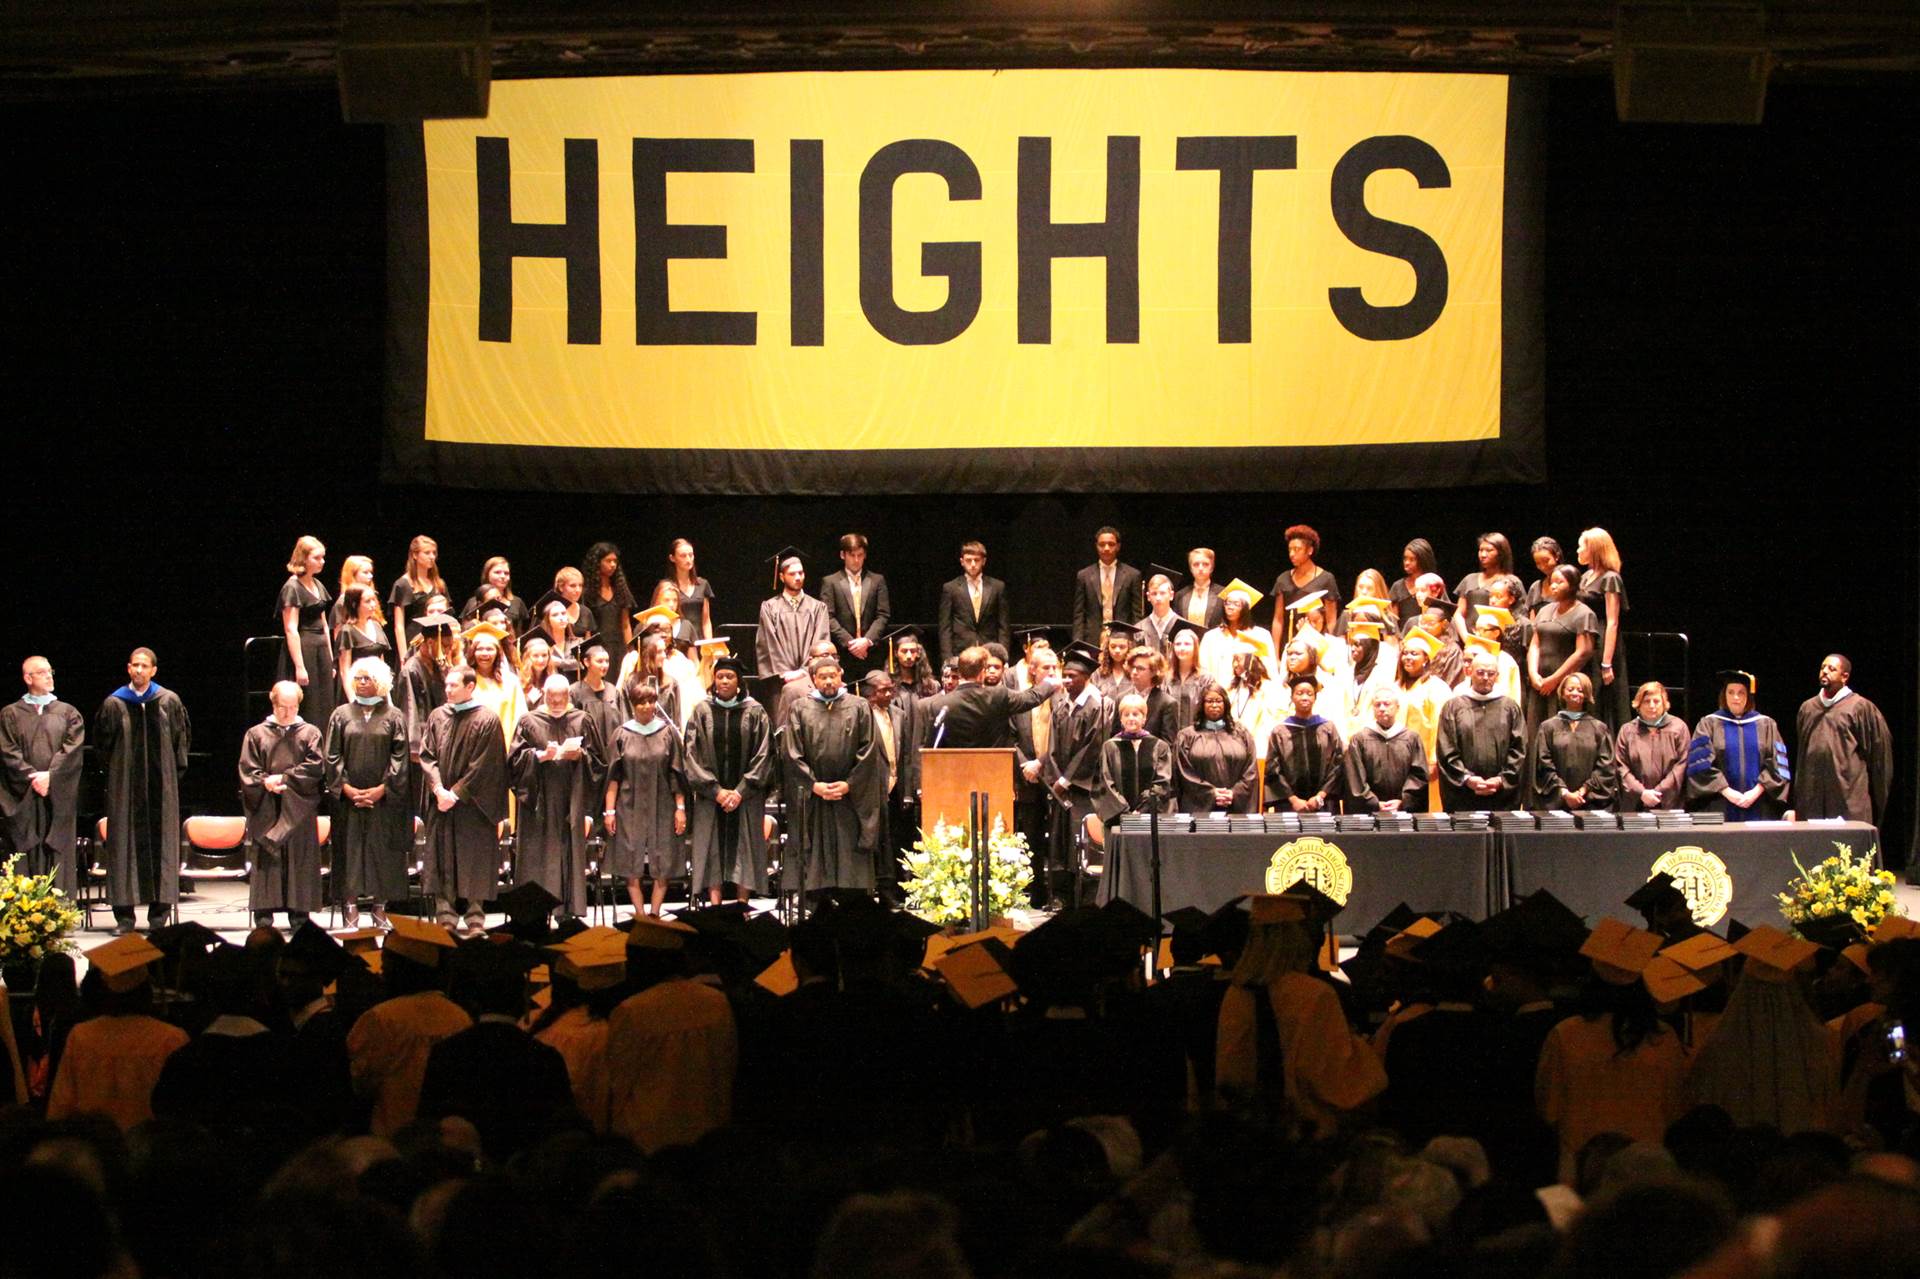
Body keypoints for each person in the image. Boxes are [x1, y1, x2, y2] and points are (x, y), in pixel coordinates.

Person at [1215, 892, 1386, 1137]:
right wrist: (1360, 1047)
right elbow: (1337, 1081)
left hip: (1248, 1132)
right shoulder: (1315, 995)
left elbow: (1229, 1073)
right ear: (1297, 938)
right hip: (1306, 1131)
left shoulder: (1236, 994)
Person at [1536, 924, 1691, 1182]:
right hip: (1648, 1161)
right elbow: (1676, 1108)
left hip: (1583, 1165)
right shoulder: (1662, 1038)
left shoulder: (1565, 1035)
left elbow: (1548, 1109)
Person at [605, 916, 737, 1152]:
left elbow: (620, 1082)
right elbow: (727, 1064)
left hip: (648, 1135)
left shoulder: (632, 1011)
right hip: (708, 1129)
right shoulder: (716, 1001)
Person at [347, 915, 471, 1137]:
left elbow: (360, 1084)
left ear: (401, 970)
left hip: (392, 1130)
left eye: (385, 965)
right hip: (442, 1133)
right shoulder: (460, 1016)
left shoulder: (381, 1018)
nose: (381, 973)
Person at [95, 648, 190, 935]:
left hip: (163, 791)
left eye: (144, 666)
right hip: (124, 791)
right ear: (128, 668)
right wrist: (117, 776)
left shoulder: (168, 701)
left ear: (153, 670)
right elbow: (103, 748)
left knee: (163, 849)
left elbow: (180, 744)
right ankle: (125, 918)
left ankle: (158, 917)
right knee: (123, 848)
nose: (139, 670)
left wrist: (170, 779)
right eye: (134, 665)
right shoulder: (114, 703)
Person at [47, 936, 187, 1129]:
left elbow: (62, 1102)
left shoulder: (81, 1036)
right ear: (146, 990)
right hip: (148, 1145)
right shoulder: (170, 1038)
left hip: (95, 1145)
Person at [783, 654, 884, 900]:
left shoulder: (859, 706)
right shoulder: (799, 708)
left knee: (851, 860)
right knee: (817, 861)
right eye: (822, 677)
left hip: (849, 797)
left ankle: (853, 903)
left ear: (841, 677)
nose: (828, 681)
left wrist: (849, 785)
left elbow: (869, 750)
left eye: (833, 676)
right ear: (814, 680)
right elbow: (791, 753)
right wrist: (813, 785)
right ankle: (817, 903)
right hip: (815, 797)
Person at [420, 663, 510, 935]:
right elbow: (427, 756)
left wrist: (456, 794)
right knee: (442, 857)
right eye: (446, 685)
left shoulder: (487, 719)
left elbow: (484, 765)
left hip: (473, 806)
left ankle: (475, 919)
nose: (447, 689)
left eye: (453, 685)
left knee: (474, 861)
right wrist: (438, 789)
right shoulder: (438, 716)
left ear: (470, 687)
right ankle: (445, 918)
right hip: (441, 803)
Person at [325, 657, 409, 929]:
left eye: (368, 678)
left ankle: (379, 909)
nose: (362, 683)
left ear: (381, 682)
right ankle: (349, 909)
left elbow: (400, 758)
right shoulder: (340, 715)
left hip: (382, 801)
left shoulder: (394, 717)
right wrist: (347, 789)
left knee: (381, 853)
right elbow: (332, 756)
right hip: (348, 800)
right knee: (349, 852)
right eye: (358, 678)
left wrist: (381, 790)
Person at [683, 655, 774, 906]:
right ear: (714, 680)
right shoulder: (701, 711)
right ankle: (716, 906)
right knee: (712, 847)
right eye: (720, 676)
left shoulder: (754, 711)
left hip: (746, 798)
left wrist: (741, 791)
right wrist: (716, 791)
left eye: (729, 676)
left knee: (744, 846)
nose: (724, 681)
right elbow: (691, 754)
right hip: (711, 799)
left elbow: (764, 754)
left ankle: (743, 906)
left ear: (739, 681)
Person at [511, 674, 601, 923]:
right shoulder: (529, 721)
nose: (557, 702)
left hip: (571, 799)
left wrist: (580, 756)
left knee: (567, 854)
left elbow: (599, 763)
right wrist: (539, 757)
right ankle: (535, 914)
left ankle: (566, 913)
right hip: (538, 803)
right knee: (536, 854)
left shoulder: (582, 720)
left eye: (562, 697)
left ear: (569, 696)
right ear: (544, 694)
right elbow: (514, 763)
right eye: (552, 697)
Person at [238, 680, 325, 930]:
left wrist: (284, 779)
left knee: (300, 860)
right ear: (272, 703)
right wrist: (265, 782)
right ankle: (264, 917)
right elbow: (247, 768)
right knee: (267, 861)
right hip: (266, 806)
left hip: (298, 807)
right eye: (282, 707)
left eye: (293, 706)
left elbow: (315, 767)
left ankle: (299, 917)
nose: (288, 712)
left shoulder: (310, 733)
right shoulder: (256, 734)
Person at [0, 655, 84, 891]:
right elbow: (7, 751)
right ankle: (24, 914)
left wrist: (50, 776)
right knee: (23, 850)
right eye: (42, 672)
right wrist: (33, 776)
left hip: (57, 796)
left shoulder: (69, 713)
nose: (49, 676)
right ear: (28, 678)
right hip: (23, 795)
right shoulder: (10, 714)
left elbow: (72, 750)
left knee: (56, 848)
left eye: (50, 671)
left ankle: (59, 914)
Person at [605, 682, 687, 917]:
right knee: (631, 861)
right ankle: (640, 914)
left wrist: (680, 808)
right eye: (641, 702)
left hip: (662, 803)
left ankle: (655, 913)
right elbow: (614, 777)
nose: (647, 706)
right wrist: (609, 812)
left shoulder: (667, 732)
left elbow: (676, 774)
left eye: (651, 701)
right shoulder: (622, 734)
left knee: (663, 859)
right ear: (633, 705)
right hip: (629, 805)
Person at [1041, 643, 1111, 900]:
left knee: (1081, 843)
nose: (1067, 680)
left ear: (1086, 677)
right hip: (1061, 787)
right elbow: (1051, 746)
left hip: (1083, 789)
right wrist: (1055, 778)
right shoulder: (1060, 704)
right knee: (1061, 844)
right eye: (1065, 675)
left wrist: (1067, 779)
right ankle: (1064, 897)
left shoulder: (1098, 706)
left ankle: (1086, 899)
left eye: (1073, 676)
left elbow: (1093, 747)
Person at [1794, 653, 1893, 827]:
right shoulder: (1808, 708)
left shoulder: (1860, 707)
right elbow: (1801, 755)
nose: (1825, 671)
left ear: (1844, 676)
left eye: (1832, 669)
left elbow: (1880, 757)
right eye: (1823, 667)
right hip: (1812, 798)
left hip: (1848, 797)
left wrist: (1879, 800)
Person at [1687, 670, 1791, 821]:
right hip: (1720, 803)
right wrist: (1727, 791)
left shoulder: (1766, 724)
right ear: (1724, 695)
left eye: (1741, 693)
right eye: (1731, 692)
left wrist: (1755, 792)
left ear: (1748, 696)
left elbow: (1778, 764)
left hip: (1759, 804)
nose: (1736, 697)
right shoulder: (1708, 724)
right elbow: (1700, 765)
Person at [1437, 650, 1525, 811]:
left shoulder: (1510, 708)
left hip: (1501, 793)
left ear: (1497, 675)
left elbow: (1518, 749)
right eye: (1480, 672)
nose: (1485, 677)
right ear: (1470, 672)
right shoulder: (1453, 707)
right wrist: (1467, 778)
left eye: (1491, 673)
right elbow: (1446, 749)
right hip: (1463, 792)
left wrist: (1501, 780)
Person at [924, 644, 1053, 750]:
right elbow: (1029, 698)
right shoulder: (998, 695)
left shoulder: (940, 705)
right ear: (982, 673)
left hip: (956, 774)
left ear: (960, 671)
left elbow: (932, 749)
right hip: (993, 772)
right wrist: (1049, 683)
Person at [1525, 564, 1598, 743]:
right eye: (1552, 582)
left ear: (1572, 585)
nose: (1554, 586)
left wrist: (1555, 679)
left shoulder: (1584, 614)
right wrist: (1534, 674)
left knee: (1559, 733)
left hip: (1564, 682)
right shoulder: (1545, 610)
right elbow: (1534, 644)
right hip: (1540, 682)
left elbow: (1583, 652)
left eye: (1560, 582)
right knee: (1535, 728)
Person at [1090, 693, 1175, 841]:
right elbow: (1105, 784)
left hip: (1151, 820)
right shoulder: (1110, 747)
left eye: (1136, 714)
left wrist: (1142, 810)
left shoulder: (1159, 747)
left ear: (1144, 718)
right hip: (1118, 821)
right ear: (1121, 719)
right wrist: (1125, 813)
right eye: (1126, 714)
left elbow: (1162, 783)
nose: (1131, 718)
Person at [863, 670, 918, 893]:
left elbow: (906, 755)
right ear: (870, 693)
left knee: (896, 839)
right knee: (875, 840)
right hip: (872, 787)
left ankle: (895, 888)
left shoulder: (899, 714)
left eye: (890, 689)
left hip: (896, 786)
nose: (889, 694)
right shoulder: (861, 714)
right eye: (883, 690)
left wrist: (907, 790)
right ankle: (874, 888)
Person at [277, 535, 337, 731]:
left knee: (325, 702)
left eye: (323, 557)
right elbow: (290, 628)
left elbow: (324, 623)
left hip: (321, 648)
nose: (322, 562)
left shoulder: (317, 585)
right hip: (305, 648)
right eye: (317, 558)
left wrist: (330, 658)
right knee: (310, 702)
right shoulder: (292, 587)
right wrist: (300, 666)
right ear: (303, 559)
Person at [1534, 673, 1618, 812]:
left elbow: (1605, 766)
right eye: (1570, 689)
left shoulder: (1599, 728)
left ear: (1587, 694)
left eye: (1580, 690)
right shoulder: (1548, 727)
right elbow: (1543, 764)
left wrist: (1582, 791)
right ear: (1562, 692)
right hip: (1556, 803)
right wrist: (1565, 793)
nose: (1575, 693)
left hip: (1590, 802)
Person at [1575, 528, 1632, 730]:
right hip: (1586, 639)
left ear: (1595, 549)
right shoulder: (1585, 576)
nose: (1578, 550)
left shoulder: (1610, 578)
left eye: (1582, 546)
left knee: (1603, 696)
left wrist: (1606, 662)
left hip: (1603, 643)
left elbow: (1612, 621)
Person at [1173, 684, 1259, 813]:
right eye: (1209, 701)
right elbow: (1183, 772)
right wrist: (1211, 793)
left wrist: (1234, 793)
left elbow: (1250, 770)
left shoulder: (1242, 734)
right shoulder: (1186, 736)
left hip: (1235, 806)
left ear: (1226, 704)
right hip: (1198, 807)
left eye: (1218, 701)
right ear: (1202, 704)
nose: (1214, 705)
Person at [757, 546, 833, 692]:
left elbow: (821, 641)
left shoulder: (818, 608)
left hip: (811, 679)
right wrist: (785, 673)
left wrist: (804, 670)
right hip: (781, 682)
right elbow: (769, 643)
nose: (798, 577)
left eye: (800, 573)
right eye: (792, 574)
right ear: (781, 577)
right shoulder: (769, 608)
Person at [1343, 687, 1430, 813]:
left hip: (1403, 812)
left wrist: (1404, 800)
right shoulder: (1360, 740)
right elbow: (1355, 778)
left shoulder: (1411, 738)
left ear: (1397, 707)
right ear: (1373, 708)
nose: (1382, 708)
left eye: (1387, 704)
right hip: (1370, 813)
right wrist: (1374, 802)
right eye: (1377, 705)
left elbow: (1419, 775)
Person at [1266, 676, 1344, 813]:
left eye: (1310, 693)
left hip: (1324, 803)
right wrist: (1293, 799)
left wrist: (1320, 796)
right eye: (1299, 693)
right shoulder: (1280, 731)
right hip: (1289, 805)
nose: (1305, 698)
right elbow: (1273, 769)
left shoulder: (1328, 728)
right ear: (1292, 697)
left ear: (1315, 698)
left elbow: (1338, 765)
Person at [821, 533, 891, 682]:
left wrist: (866, 641)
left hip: (871, 652)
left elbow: (883, 615)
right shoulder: (830, 581)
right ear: (842, 555)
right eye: (852, 555)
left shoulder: (877, 580)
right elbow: (828, 616)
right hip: (843, 652)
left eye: (860, 555)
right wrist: (850, 643)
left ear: (865, 555)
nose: (856, 560)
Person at [1394, 631, 1451, 809]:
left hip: (1424, 761)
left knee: (1427, 810)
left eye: (1414, 653)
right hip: (1396, 760)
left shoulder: (1437, 688)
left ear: (1426, 659)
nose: (1407, 658)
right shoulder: (1395, 686)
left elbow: (1440, 727)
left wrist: (1433, 761)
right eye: (1405, 653)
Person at [1617, 682, 1689, 811]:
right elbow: (1621, 766)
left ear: (1664, 704)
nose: (1651, 706)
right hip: (1635, 804)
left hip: (1670, 803)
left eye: (1656, 701)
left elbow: (1681, 764)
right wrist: (1642, 792)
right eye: (1646, 701)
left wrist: (1659, 792)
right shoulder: (1627, 730)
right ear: (1638, 704)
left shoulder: (1678, 728)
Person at [937, 540, 1009, 665]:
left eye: (977, 560)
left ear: (984, 561)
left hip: (990, 651)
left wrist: (1003, 656)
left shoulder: (997, 587)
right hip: (961, 651)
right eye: (969, 560)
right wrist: (947, 659)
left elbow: (1003, 626)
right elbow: (945, 627)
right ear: (962, 562)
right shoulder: (951, 588)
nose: (973, 564)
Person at [1072, 526, 1143, 646]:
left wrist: (1138, 641)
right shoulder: (1084, 575)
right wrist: (1077, 643)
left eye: (1111, 544)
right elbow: (1079, 614)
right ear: (1096, 546)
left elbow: (1136, 613)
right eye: (1102, 544)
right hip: (1092, 639)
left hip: (1122, 639)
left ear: (1118, 546)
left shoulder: (1132, 575)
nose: (1106, 548)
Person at [1270, 524, 1340, 645]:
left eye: (1297, 549)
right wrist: (1275, 656)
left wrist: (1331, 649)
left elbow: (1331, 620)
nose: (1292, 554)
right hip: (1290, 644)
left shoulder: (1326, 579)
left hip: (1317, 644)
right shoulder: (1283, 579)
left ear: (1310, 550)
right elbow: (1278, 620)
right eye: (1290, 550)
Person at [1199, 579, 1275, 688]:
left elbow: (1270, 669)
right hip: (1218, 696)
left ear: (1245, 609)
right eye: (1227, 603)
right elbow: (1203, 669)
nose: (1230, 607)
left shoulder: (1261, 636)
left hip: (1251, 695)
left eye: (1236, 604)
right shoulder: (1211, 637)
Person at [333, 585, 392, 704]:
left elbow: (382, 665)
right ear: (355, 604)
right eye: (367, 601)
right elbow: (345, 670)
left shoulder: (376, 626)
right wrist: (353, 700)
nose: (373, 604)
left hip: (377, 689)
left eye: (373, 600)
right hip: (358, 690)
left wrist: (388, 698)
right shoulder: (347, 631)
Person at [1452, 532, 1515, 642]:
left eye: (1489, 550)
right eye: (1481, 550)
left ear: (1501, 553)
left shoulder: (1510, 581)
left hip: (1496, 640)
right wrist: (1467, 639)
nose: (1483, 554)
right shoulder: (1469, 579)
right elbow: (1459, 613)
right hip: (1468, 639)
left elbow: (1515, 616)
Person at [1110, 645, 1179, 742]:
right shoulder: (1121, 698)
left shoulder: (1167, 703)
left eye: (1140, 668)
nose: (1134, 672)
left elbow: (1168, 744)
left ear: (1154, 672)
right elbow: (1114, 737)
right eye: (1132, 667)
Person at [387, 534, 446, 648]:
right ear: (415, 555)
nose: (432, 556)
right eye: (427, 553)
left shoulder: (439, 584)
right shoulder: (402, 584)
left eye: (434, 553)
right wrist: (404, 656)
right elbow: (399, 626)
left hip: (437, 642)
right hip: (413, 642)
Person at [654, 538, 716, 641]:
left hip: (699, 641)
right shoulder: (667, 587)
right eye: (683, 556)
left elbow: (706, 621)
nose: (688, 559)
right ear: (672, 558)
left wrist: (709, 643)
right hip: (677, 641)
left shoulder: (702, 584)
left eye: (691, 555)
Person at [581, 541, 636, 653]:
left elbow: (626, 625)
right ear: (597, 563)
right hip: (598, 648)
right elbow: (587, 629)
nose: (613, 565)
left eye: (615, 561)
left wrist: (630, 651)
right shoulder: (587, 593)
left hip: (619, 647)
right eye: (608, 561)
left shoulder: (620, 590)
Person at [1163, 619, 1216, 732]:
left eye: (1187, 644)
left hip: (1198, 736)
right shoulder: (1165, 677)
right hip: (1169, 737)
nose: (1182, 648)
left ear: (1195, 647)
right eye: (1178, 644)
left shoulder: (1206, 678)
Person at [1389, 539, 1448, 632]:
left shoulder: (1434, 584)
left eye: (1412, 559)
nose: (1407, 562)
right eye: (1405, 558)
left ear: (1423, 560)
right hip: (1405, 637)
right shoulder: (1398, 586)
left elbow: (1445, 613)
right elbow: (1393, 620)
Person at [461, 557, 530, 633]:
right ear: (487, 575)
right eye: (497, 572)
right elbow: (464, 629)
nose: (503, 576)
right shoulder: (473, 602)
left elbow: (523, 631)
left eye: (506, 573)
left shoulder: (517, 602)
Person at [526, 597, 588, 682]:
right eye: (555, 615)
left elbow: (584, 664)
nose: (561, 618)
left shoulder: (578, 643)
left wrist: (559, 662)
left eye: (563, 613)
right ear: (548, 620)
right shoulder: (542, 646)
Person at [1174, 546, 1227, 629]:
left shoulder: (1223, 593)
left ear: (1212, 568)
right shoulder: (1180, 595)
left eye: (1205, 564)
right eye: (1196, 564)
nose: (1201, 568)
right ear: (1191, 568)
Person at [1091, 623, 1138, 704]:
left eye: (1122, 647)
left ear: (1129, 648)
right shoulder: (1098, 673)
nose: (1117, 651)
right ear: (1107, 648)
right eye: (1113, 646)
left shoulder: (1135, 672)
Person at [1137, 572, 1182, 656]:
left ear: (1171, 595)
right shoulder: (1139, 629)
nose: (1158, 598)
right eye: (1154, 593)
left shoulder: (1182, 627)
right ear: (1148, 597)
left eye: (1162, 593)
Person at [1524, 536, 1565, 615]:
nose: (1543, 566)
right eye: (1538, 563)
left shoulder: (1569, 584)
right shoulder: (1536, 587)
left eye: (1546, 561)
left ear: (1557, 556)